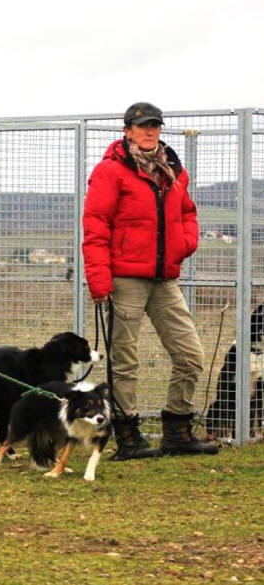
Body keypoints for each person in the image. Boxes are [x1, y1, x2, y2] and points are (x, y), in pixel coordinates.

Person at [82, 101, 218, 460]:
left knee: (190, 355)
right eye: (142, 126)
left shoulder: (173, 169)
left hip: (165, 278)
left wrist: (184, 244)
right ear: (127, 130)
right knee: (124, 360)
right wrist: (99, 280)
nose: (150, 131)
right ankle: (129, 439)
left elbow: (187, 212)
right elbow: (95, 227)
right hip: (124, 277)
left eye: (155, 125)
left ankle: (177, 432)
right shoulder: (110, 171)